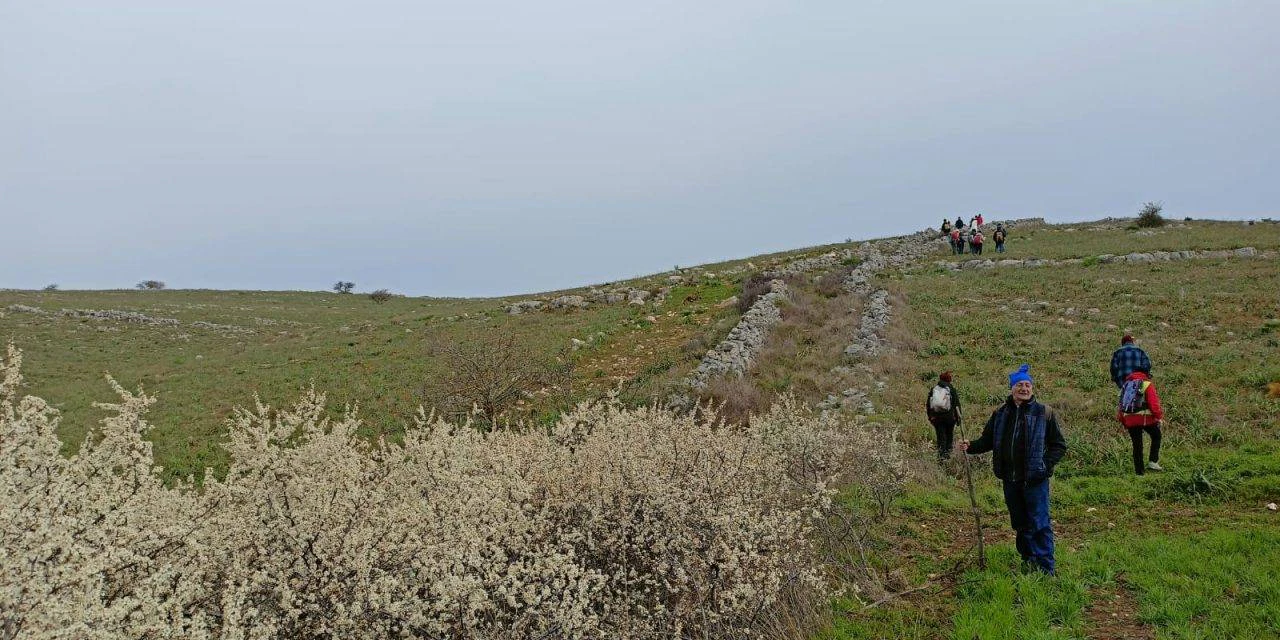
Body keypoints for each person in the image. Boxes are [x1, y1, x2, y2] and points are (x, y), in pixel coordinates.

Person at [961, 364, 1067, 575]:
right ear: (1012, 388)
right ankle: (1028, 561)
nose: (1024, 388)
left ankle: (1046, 568)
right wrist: (970, 446)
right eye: (1020, 385)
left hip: (1035, 480)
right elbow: (988, 440)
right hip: (1010, 480)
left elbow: (1059, 446)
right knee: (1020, 524)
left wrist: (1044, 467)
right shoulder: (1000, 414)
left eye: (1028, 385)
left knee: (1040, 523)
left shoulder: (1044, 413)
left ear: (1032, 389)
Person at [1117, 370, 1164, 474]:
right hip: (1145, 418)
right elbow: (1153, 403)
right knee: (1156, 436)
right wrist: (1159, 417)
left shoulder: (1125, 386)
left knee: (1137, 445)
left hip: (1129, 418)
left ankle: (1139, 473)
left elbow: (1121, 405)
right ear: (1146, 374)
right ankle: (1153, 461)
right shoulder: (1147, 384)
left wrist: (1124, 421)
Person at [926, 371, 962, 460]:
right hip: (950, 418)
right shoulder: (951, 389)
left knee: (940, 437)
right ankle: (948, 456)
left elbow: (928, 405)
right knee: (949, 436)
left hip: (937, 419)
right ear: (949, 379)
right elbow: (957, 405)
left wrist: (930, 417)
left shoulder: (934, 389)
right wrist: (958, 420)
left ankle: (941, 457)